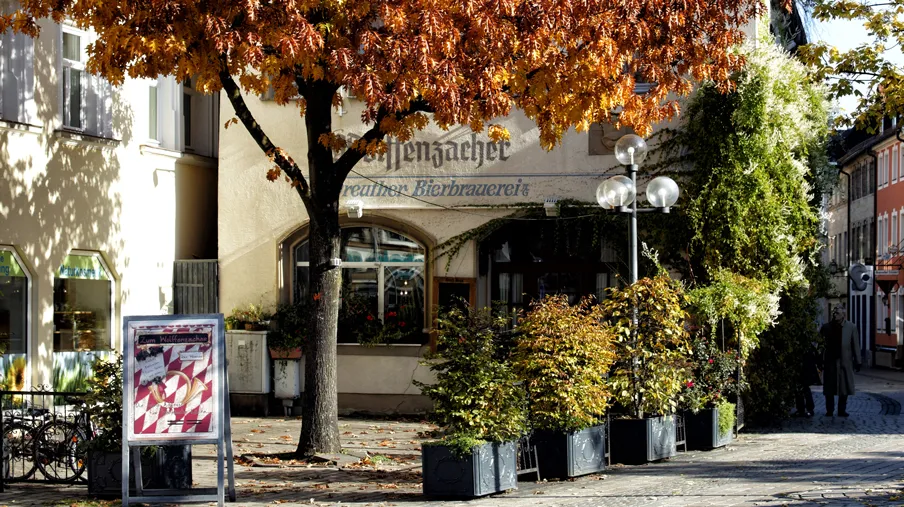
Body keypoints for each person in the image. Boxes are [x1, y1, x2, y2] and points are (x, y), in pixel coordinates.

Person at [819, 305, 862, 417]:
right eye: (834, 313)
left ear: (844, 314)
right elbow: (821, 345)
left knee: (844, 387)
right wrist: (819, 359)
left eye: (837, 313)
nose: (835, 314)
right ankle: (829, 410)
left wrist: (858, 361)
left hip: (845, 362)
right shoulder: (827, 327)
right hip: (830, 362)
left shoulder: (851, 327)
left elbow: (855, 345)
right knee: (829, 388)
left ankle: (841, 410)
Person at [793, 339, 820, 417]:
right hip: (805, 368)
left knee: (803, 388)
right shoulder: (807, 345)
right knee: (803, 388)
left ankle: (806, 409)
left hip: (804, 368)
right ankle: (806, 409)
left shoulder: (803, 345)